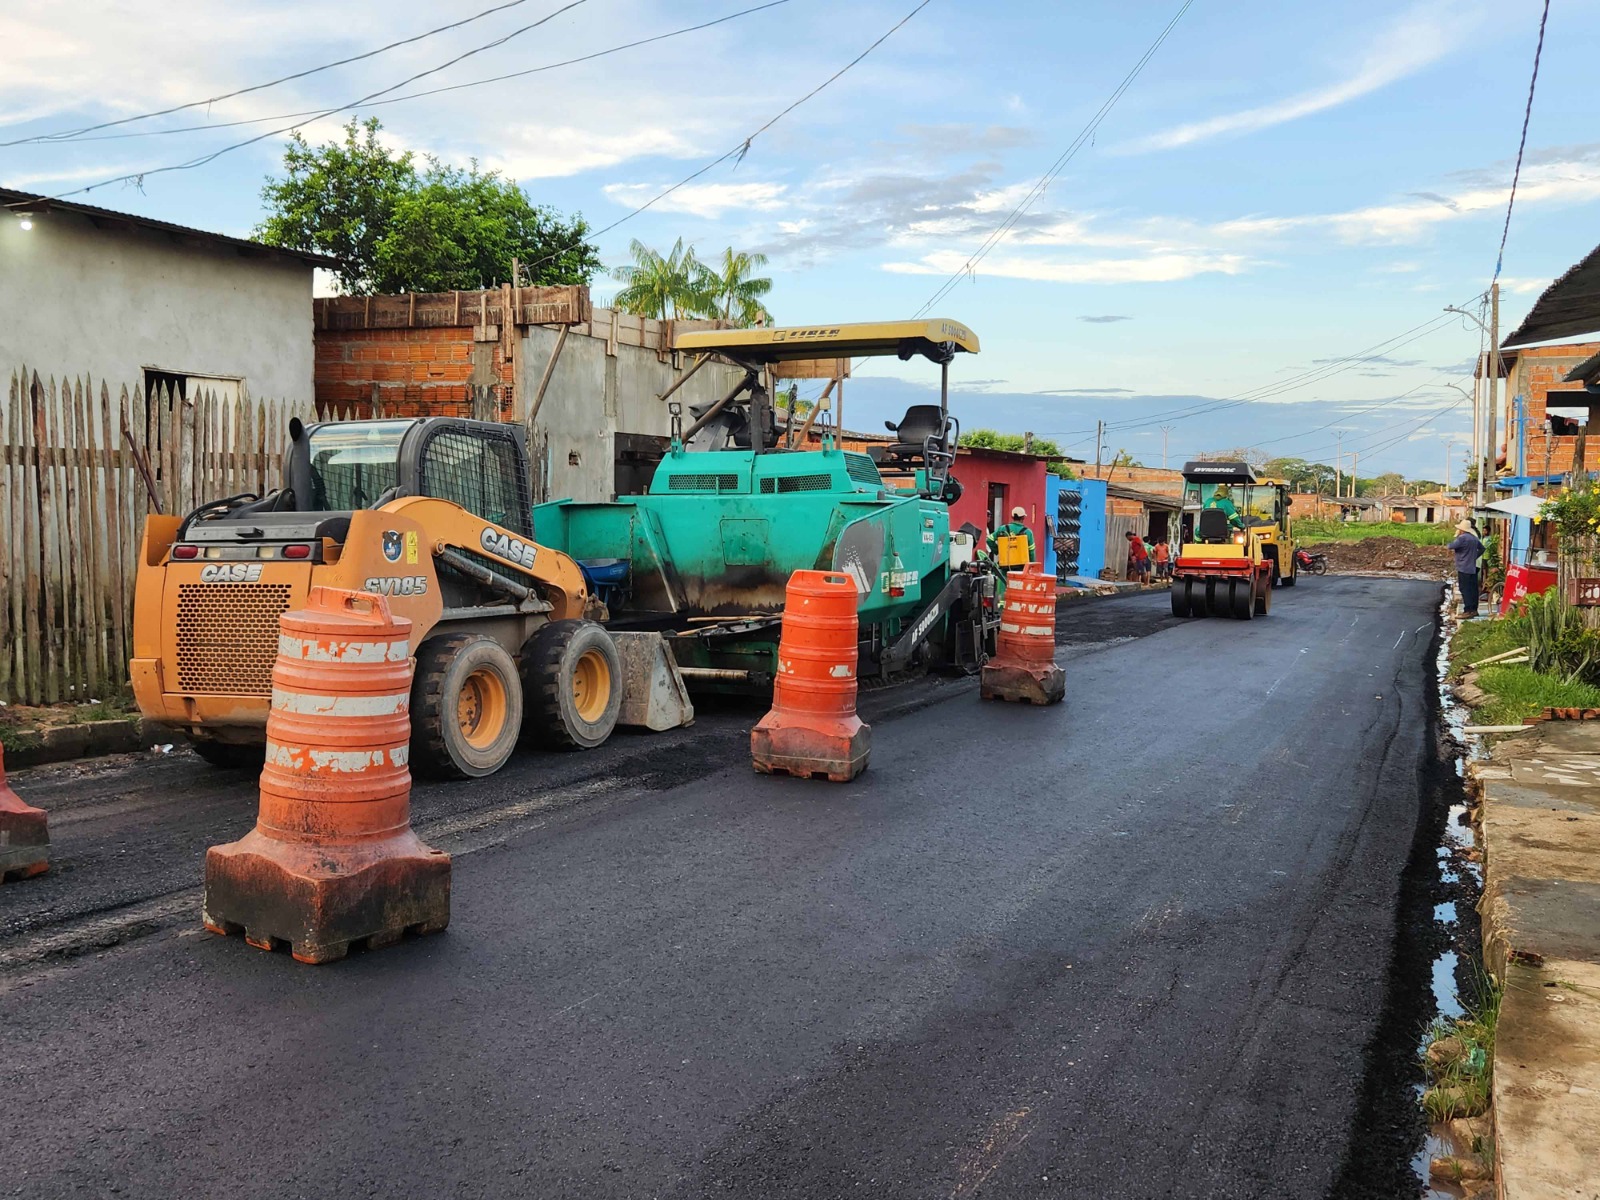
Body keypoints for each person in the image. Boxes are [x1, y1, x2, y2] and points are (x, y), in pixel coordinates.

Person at [1448, 518, 1484, 618]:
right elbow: (1482, 548)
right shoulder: (1474, 538)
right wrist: (1474, 556)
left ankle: (1468, 610)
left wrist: (1455, 538)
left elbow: (1451, 546)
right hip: (1472, 567)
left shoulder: (1462, 538)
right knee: (1473, 589)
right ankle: (1474, 609)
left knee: (1464, 589)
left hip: (1463, 567)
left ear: (1462, 529)